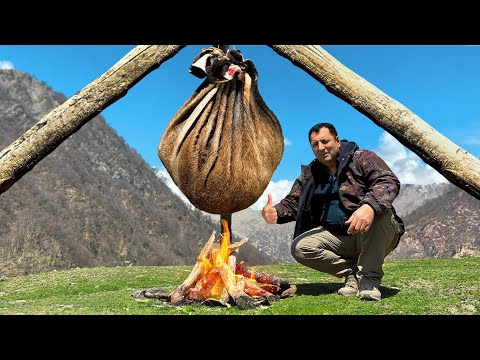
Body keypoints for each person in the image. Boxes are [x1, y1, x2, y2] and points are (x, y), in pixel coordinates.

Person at [262, 122, 405, 301]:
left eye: (325, 141)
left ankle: (369, 281)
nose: (321, 147)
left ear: (337, 140)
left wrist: (369, 207)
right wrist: (275, 212)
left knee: (381, 212)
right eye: (315, 144)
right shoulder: (311, 174)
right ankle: (351, 275)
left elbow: (388, 181)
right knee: (301, 248)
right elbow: (293, 202)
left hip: (371, 234)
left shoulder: (361, 158)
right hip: (338, 239)